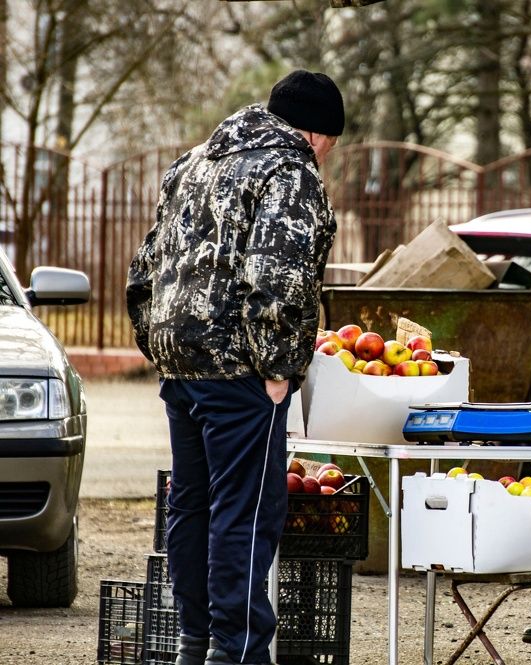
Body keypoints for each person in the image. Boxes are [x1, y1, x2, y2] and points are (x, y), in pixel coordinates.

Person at [125, 70, 344, 665]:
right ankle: (238, 650)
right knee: (244, 511)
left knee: (191, 505)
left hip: (182, 364)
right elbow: (279, 274)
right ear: (318, 134)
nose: (326, 156)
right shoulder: (289, 171)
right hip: (243, 370)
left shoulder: (193, 163)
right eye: (331, 144)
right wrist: (278, 368)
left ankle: (192, 644)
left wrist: (161, 345)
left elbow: (145, 268)